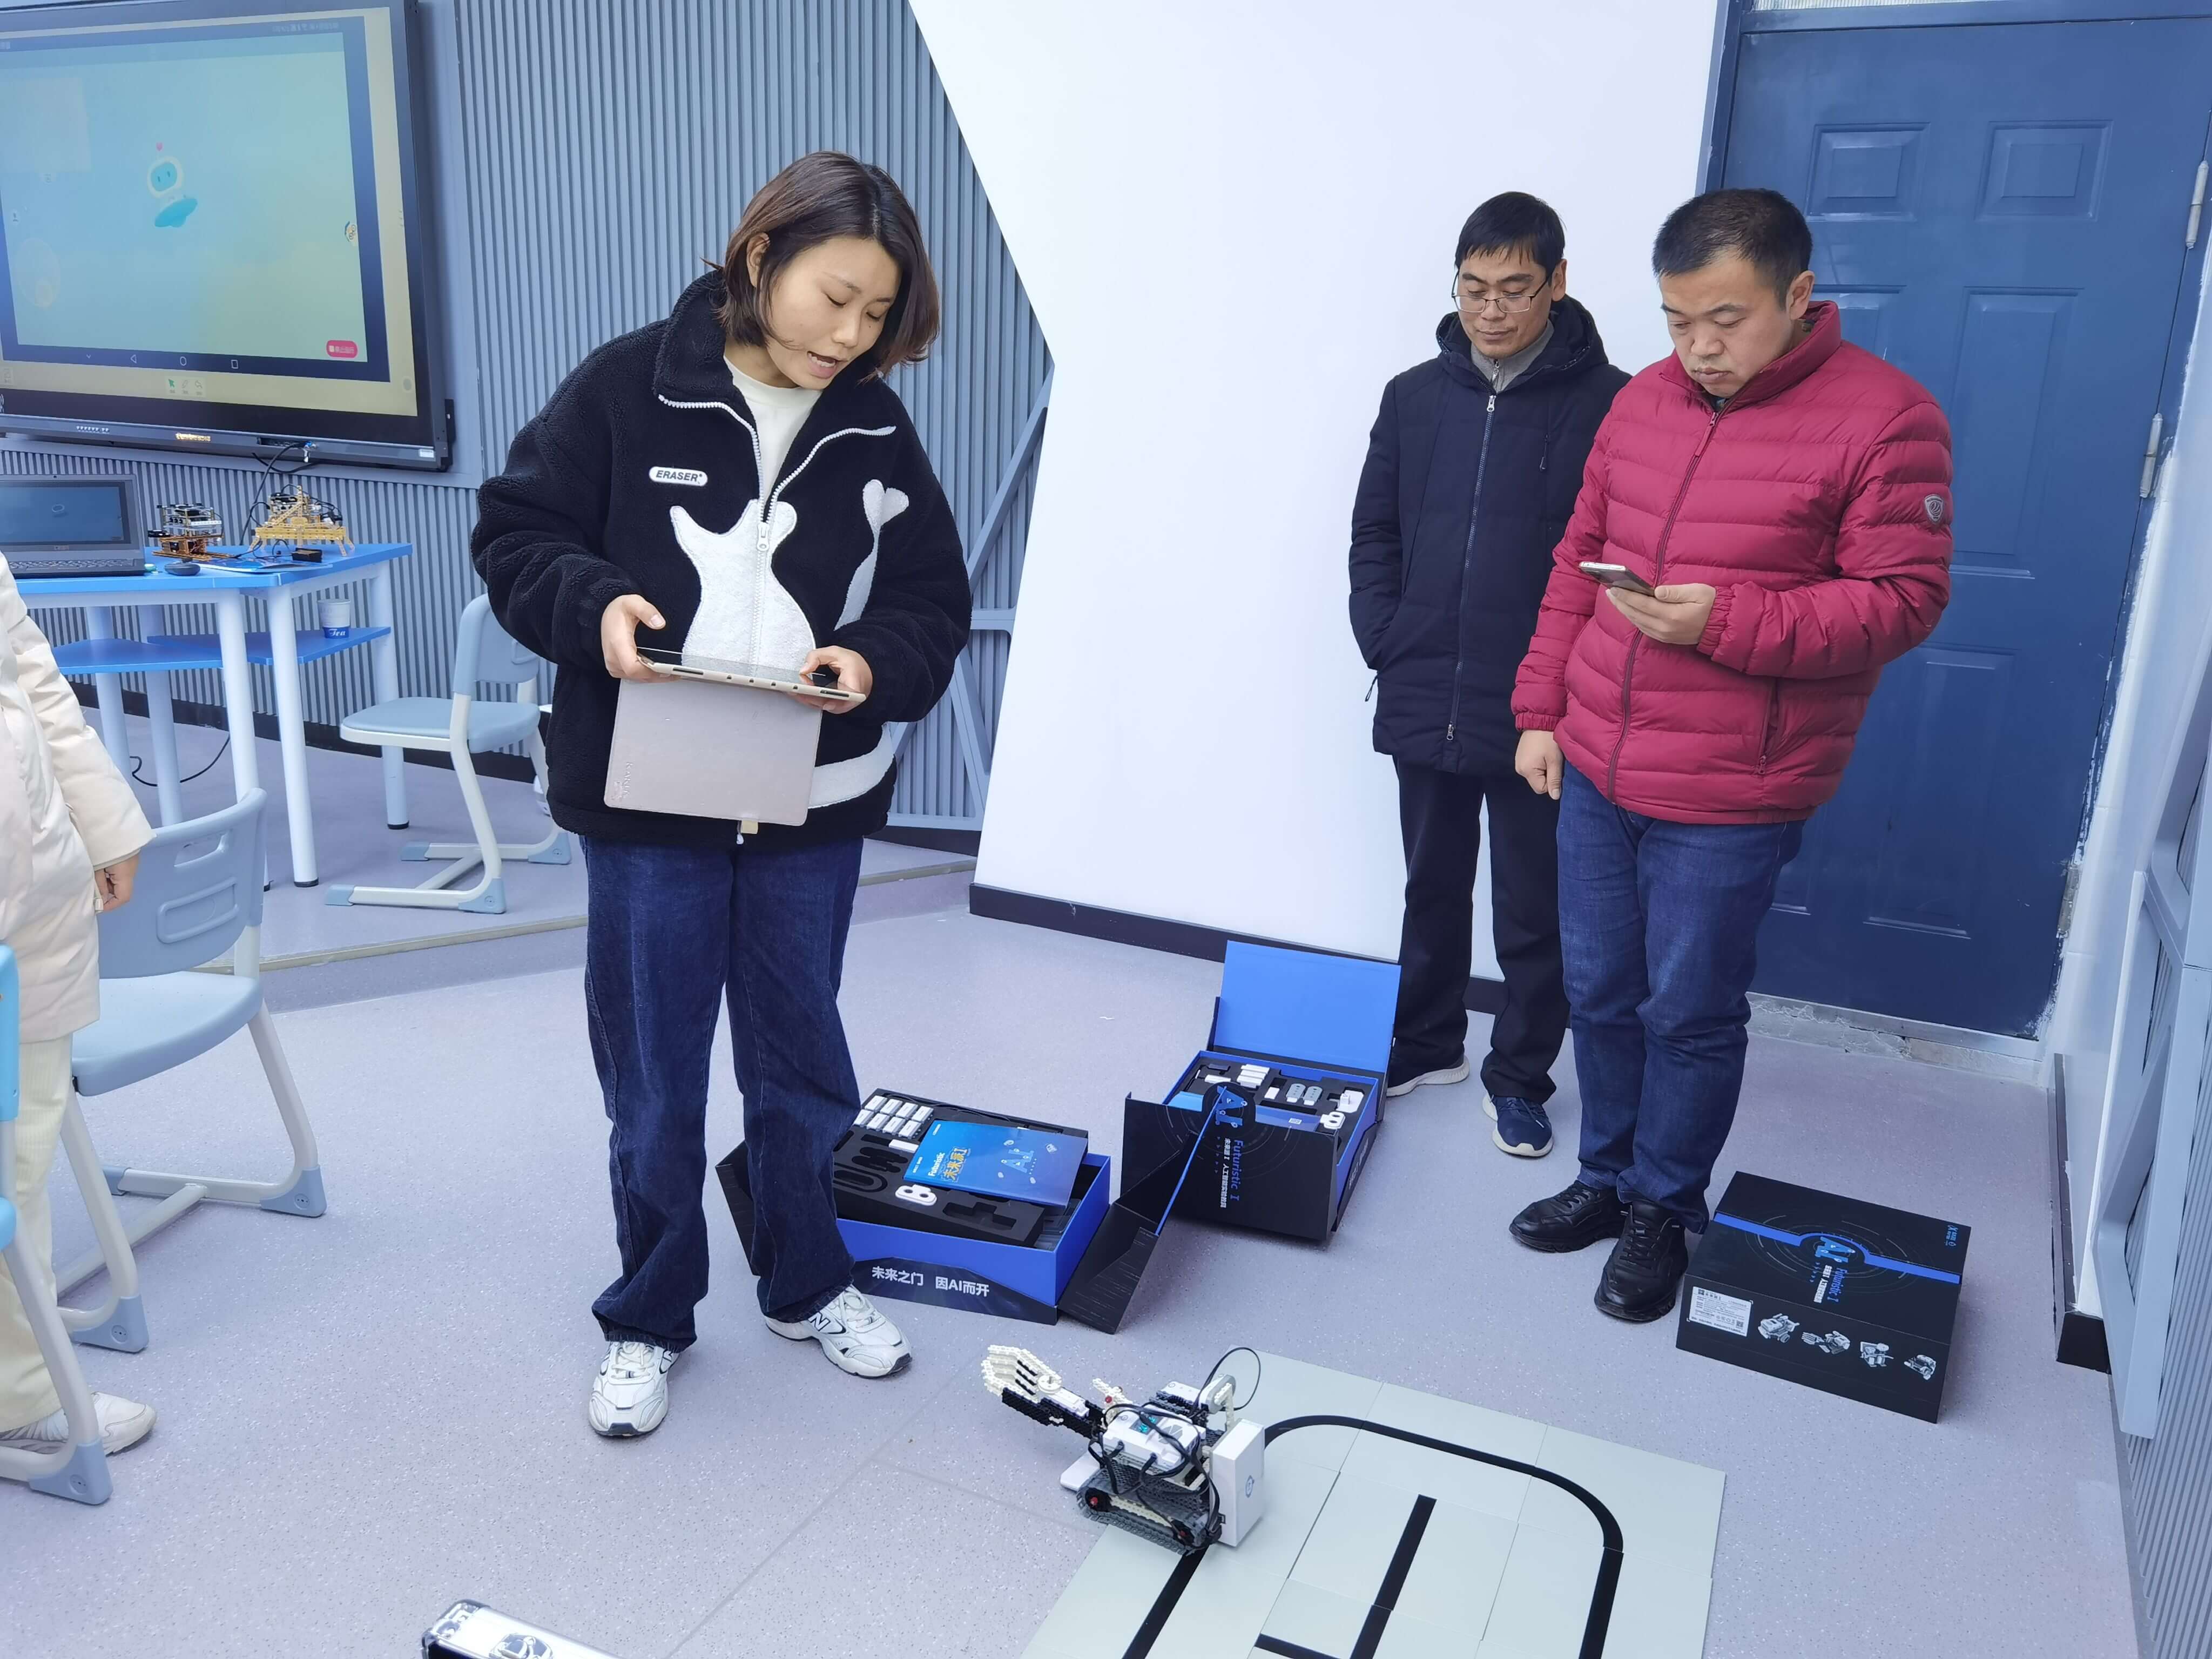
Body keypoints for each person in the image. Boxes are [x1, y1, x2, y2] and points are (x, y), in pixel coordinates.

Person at [474, 152, 970, 1437]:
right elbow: (517, 533)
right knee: (653, 1080)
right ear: (760, 258)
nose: (849, 337)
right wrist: (593, 605)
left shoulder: (872, 423)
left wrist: (871, 661)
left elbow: (932, 598)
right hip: (650, 801)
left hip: (813, 800)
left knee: (802, 1065)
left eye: (876, 315)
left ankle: (807, 1284)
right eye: (835, 299)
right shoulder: (626, 387)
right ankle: (647, 1315)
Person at [1508, 187, 1952, 1321]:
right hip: (1597, 762)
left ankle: (1664, 1207)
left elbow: (1903, 601)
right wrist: (1540, 708)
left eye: (1725, 319)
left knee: (1689, 1011)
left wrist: (1726, 621)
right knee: (1599, 990)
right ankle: (1606, 1177)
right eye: (1675, 320)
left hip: (1733, 787)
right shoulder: (1642, 402)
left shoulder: (1886, 417)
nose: (1698, 347)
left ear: (1797, 297)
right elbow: (1576, 559)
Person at [1348, 193, 1627, 1157]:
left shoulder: (1613, 404)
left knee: (1533, 905)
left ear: (1558, 283)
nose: (1491, 309)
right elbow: (1374, 531)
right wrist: (1385, 634)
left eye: (1515, 288)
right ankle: (1427, 1044)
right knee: (1430, 884)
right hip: (1424, 679)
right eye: (1474, 289)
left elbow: (1614, 558)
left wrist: (1575, 681)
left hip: (1542, 705)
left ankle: (1519, 1078)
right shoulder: (1412, 397)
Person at [0, 561, 156, 1458]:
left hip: (33, 881)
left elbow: (27, 665)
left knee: (20, 1154)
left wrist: (104, 821)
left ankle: (18, 1388)